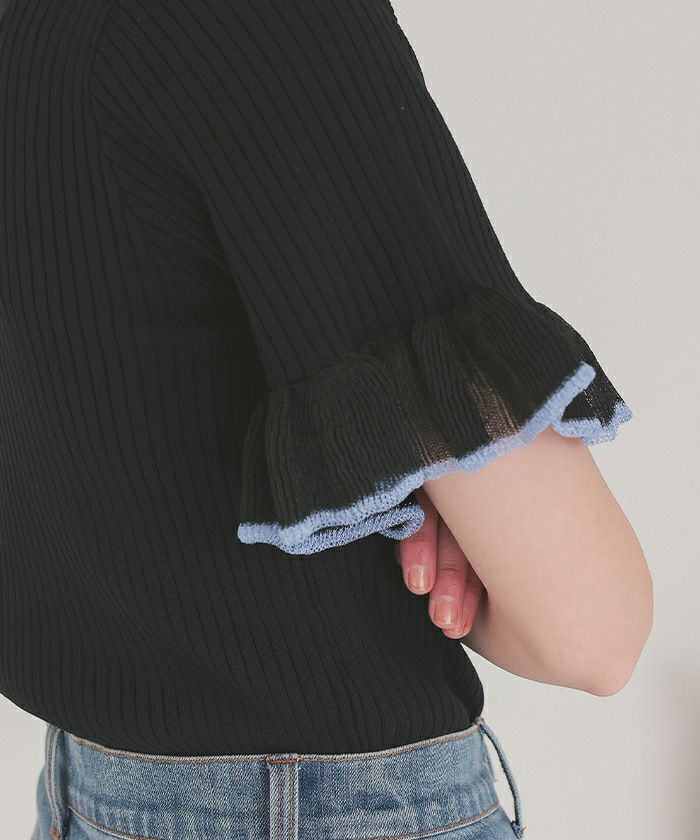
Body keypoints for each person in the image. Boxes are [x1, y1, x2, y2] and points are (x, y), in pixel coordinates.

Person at [0, 1, 651, 838]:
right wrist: (460, 537)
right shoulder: (266, 22)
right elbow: (591, 631)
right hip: (309, 809)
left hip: (86, 791)